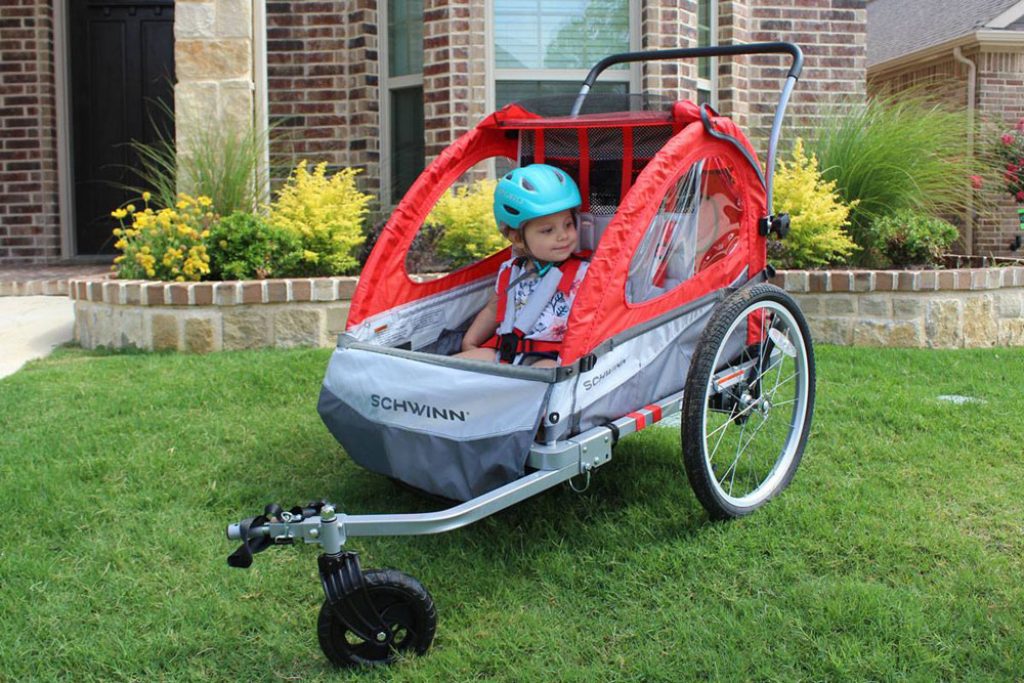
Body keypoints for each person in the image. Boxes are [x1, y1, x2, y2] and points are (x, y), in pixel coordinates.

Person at [457, 163, 590, 368]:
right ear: (517, 238)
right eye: (548, 230)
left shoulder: (583, 274)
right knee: (449, 367)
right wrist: (470, 342)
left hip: (552, 357)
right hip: (505, 352)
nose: (563, 235)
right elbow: (494, 309)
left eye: (568, 224)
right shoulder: (510, 271)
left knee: (544, 378)